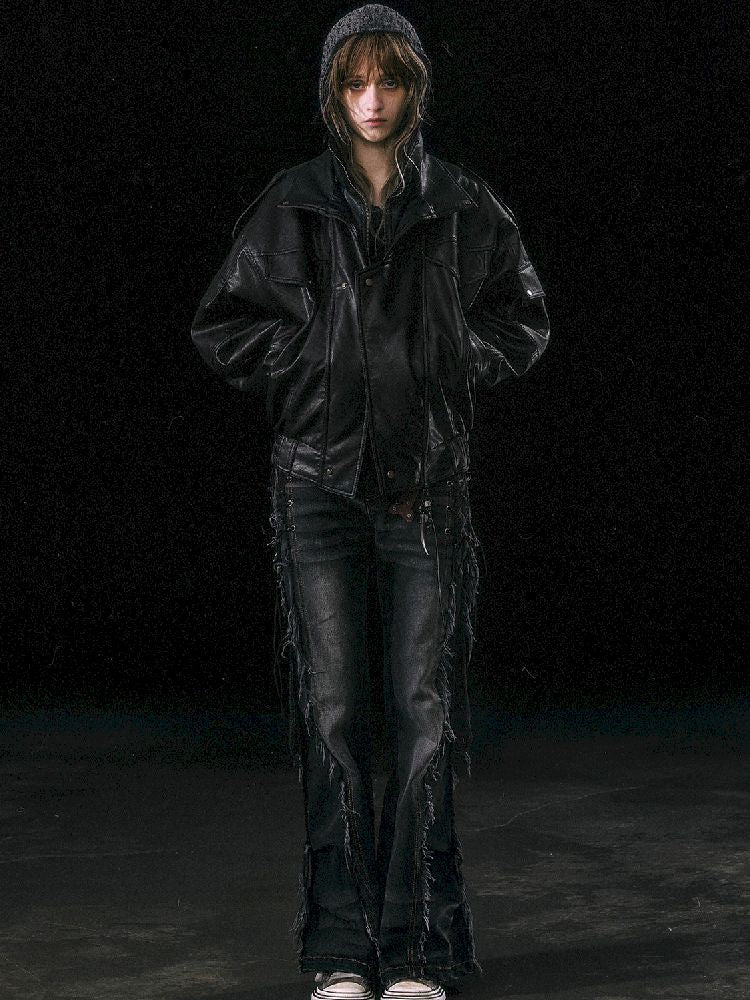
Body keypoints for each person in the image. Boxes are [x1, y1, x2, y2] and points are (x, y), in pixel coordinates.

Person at [190, 5, 550, 998]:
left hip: (426, 493)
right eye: (356, 82)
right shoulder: (296, 200)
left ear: (415, 88)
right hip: (317, 487)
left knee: (424, 718)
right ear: (333, 94)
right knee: (338, 714)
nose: (374, 100)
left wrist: (448, 360)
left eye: (389, 80)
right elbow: (224, 324)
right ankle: (342, 952)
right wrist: (312, 362)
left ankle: (421, 950)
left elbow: (521, 317)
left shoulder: (462, 203)